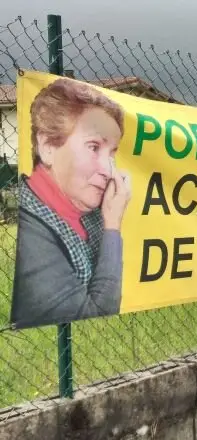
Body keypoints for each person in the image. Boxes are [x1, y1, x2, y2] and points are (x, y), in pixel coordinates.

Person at [10, 78, 132, 329]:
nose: (108, 171)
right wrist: (112, 225)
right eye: (94, 146)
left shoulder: (89, 208)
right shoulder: (33, 233)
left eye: (111, 154)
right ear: (48, 147)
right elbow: (96, 316)